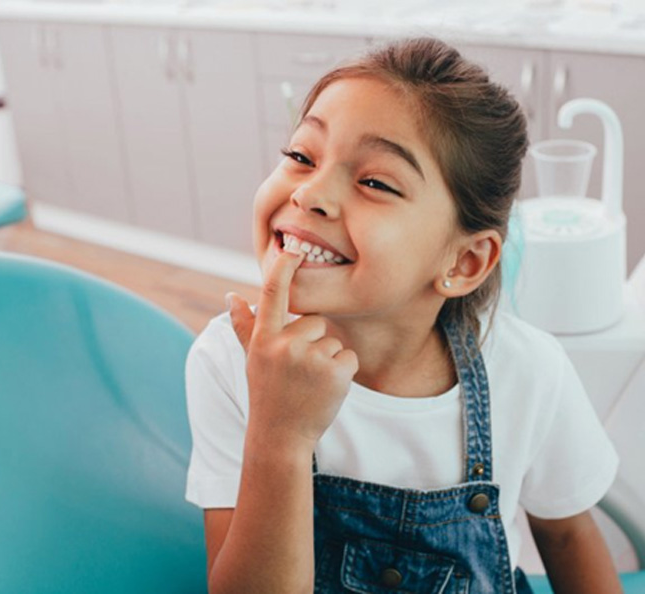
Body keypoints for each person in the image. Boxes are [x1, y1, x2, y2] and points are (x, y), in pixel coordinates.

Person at [184, 37, 621, 593]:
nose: (310, 193)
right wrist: (279, 434)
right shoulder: (228, 361)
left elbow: (567, 537)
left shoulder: (530, 370)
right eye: (301, 156)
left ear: (463, 262)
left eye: (375, 182)